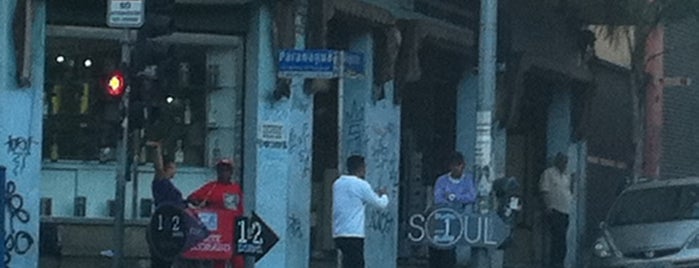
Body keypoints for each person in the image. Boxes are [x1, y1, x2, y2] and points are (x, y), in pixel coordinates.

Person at [332, 155, 389, 268]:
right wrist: (384, 195)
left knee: (347, 262)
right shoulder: (361, 185)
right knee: (357, 264)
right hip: (354, 233)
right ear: (361, 168)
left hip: (339, 232)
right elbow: (380, 204)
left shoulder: (337, 184)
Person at [187, 158, 244, 268]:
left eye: (226, 170)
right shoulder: (211, 187)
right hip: (218, 233)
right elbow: (192, 198)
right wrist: (204, 204)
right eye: (221, 169)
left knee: (238, 261)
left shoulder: (236, 188)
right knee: (219, 261)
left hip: (234, 230)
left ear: (231, 172)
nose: (223, 172)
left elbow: (241, 209)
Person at [429, 152, 477, 268]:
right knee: (439, 249)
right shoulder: (442, 180)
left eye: (459, 165)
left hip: (459, 220)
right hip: (441, 220)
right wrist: (453, 199)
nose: (456, 168)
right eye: (454, 165)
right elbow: (438, 198)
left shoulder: (468, 180)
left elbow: (472, 197)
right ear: (450, 167)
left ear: (463, 166)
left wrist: (454, 197)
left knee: (453, 249)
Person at [147, 141, 184, 268]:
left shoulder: (169, 185)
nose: (176, 170)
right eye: (173, 167)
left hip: (173, 227)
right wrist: (158, 150)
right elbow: (158, 168)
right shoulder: (161, 182)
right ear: (168, 168)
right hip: (162, 226)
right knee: (160, 261)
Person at [539, 153, 572, 268]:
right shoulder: (548, 173)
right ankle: (554, 263)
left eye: (566, 162)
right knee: (557, 239)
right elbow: (544, 191)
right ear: (557, 161)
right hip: (555, 211)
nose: (564, 164)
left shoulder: (566, 176)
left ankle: (560, 263)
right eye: (562, 161)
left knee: (562, 240)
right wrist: (548, 206)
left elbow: (568, 191)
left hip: (565, 212)